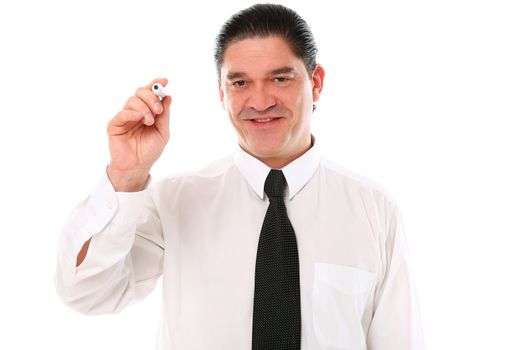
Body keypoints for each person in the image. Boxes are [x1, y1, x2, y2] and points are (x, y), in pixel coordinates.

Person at [55, 3, 424, 349]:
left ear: (316, 82)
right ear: (221, 91)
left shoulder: (374, 209)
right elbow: (86, 292)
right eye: (240, 83)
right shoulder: (174, 200)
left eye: (280, 78)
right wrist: (126, 175)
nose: (260, 101)